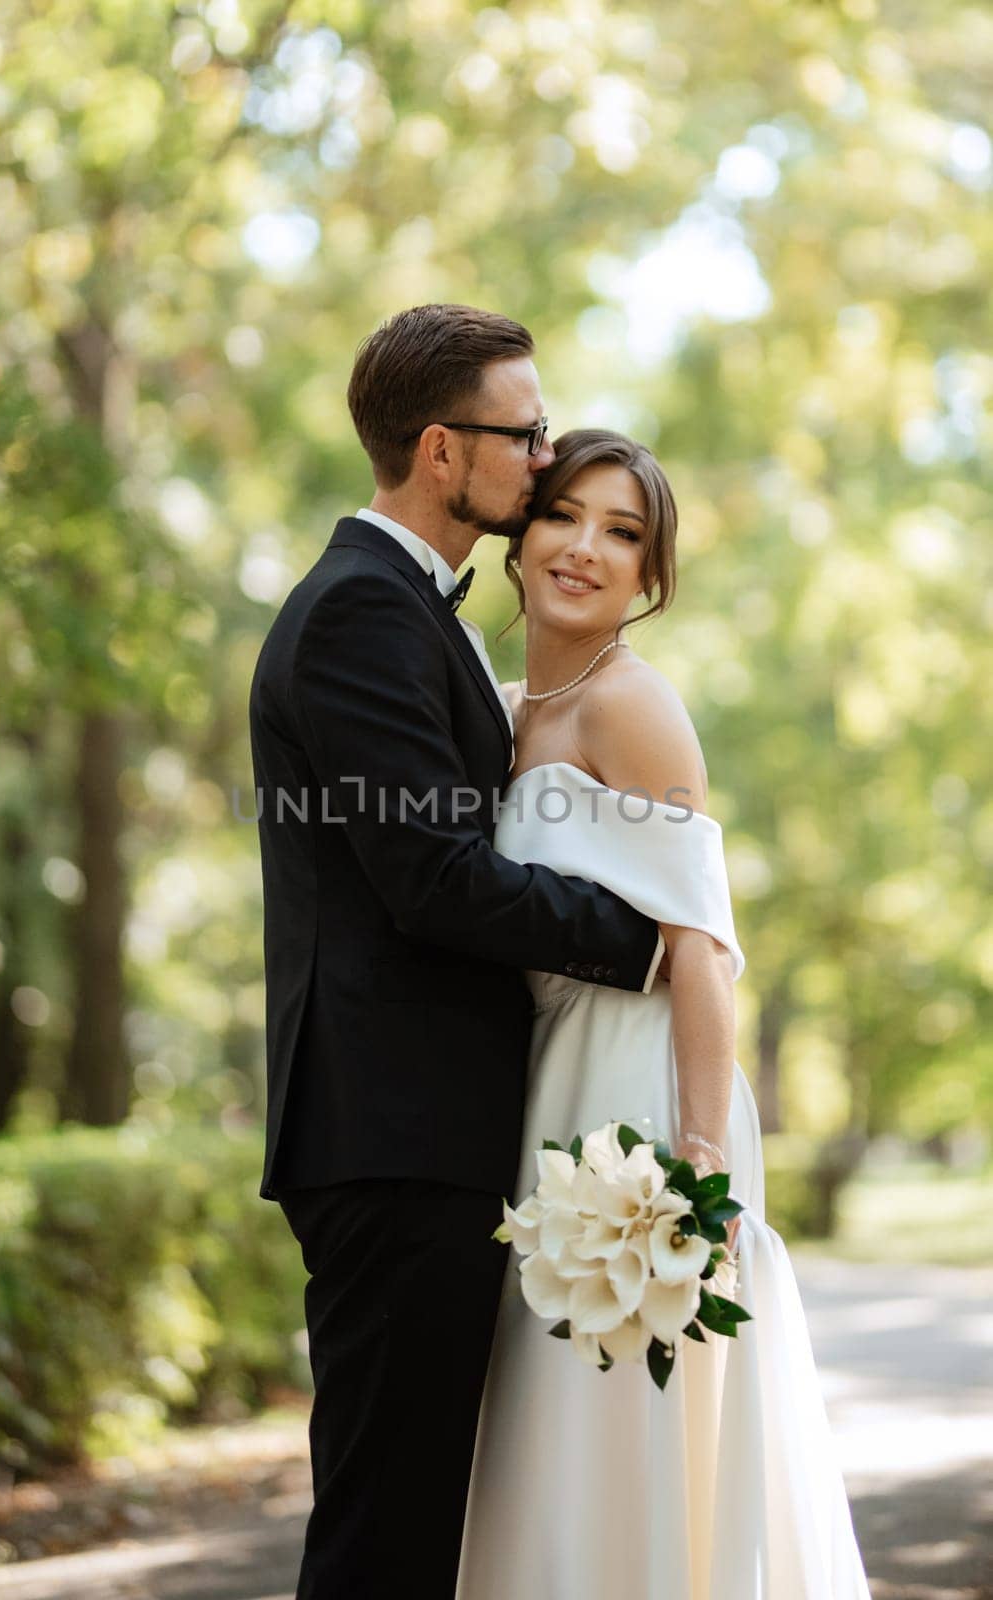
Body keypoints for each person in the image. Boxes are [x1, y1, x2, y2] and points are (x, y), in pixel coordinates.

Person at [248, 308, 670, 1600]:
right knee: (388, 1528)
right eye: (522, 432)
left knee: (424, 1513)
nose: (544, 458)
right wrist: (646, 939)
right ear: (441, 451)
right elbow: (431, 880)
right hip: (392, 1135)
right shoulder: (359, 617)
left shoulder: (410, 611)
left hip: (427, 1130)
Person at [456, 429, 871, 1599]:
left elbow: (702, 948)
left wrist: (695, 1171)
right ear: (520, 535)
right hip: (548, 1087)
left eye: (623, 533)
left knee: (621, 1419)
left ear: (650, 578)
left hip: (638, 1105)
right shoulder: (500, 707)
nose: (586, 547)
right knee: (545, 1421)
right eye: (564, 516)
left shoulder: (633, 708)